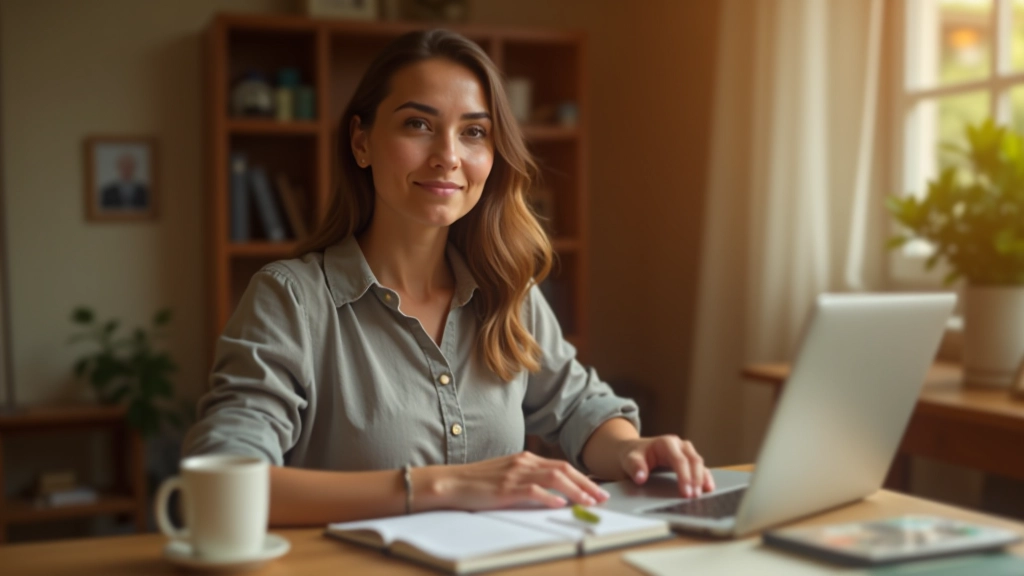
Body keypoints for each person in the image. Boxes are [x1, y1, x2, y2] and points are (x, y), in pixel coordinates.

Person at [183, 29, 715, 526]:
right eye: (418, 124)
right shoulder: (291, 300)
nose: (448, 157)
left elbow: (579, 405)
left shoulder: (508, 291)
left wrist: (629, 449)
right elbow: (225, 481)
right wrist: (441, 486)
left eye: (474, 132)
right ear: (361, 142)